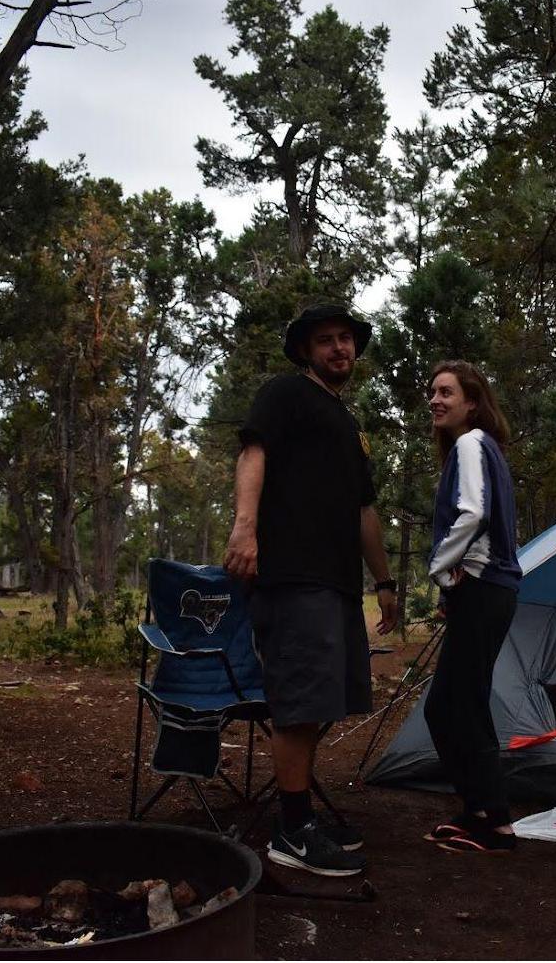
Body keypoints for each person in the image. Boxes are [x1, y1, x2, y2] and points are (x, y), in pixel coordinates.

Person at [224, 300, 398, 877]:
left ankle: (298, 816)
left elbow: (364, 508)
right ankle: (291, 832)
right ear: (305, 350)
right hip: (292, 574)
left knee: (319, 703)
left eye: (346, 339)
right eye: (325, 340)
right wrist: (245, 529)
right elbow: (254, 453)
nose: (338, 348)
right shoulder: (284, 394)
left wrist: (385, 581)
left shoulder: (347, 424)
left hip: (337, 583)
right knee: (298, 705)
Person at [422, 360, 522, 853]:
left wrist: (438, 568)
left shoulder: (469, 442)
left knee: (456, 704)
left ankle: (496, 822)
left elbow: (474, 513)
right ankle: (480, 810)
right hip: (488, 590)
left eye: (446, 392)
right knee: (454, 703)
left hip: (484, 587)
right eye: (433, 393)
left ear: (472, 402)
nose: (436, 401)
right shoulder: (488, 450)